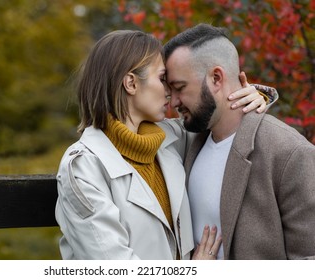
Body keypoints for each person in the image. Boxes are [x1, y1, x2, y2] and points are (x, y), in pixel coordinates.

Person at [55, 30, 275, 260]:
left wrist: (258, 96)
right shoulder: (82, 168)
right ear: (131, 83)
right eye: (162, 79)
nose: (170, 93)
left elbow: (215, 111)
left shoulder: (169, 139)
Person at [164, 23, 315, 260]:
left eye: (180, 88)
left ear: (216, 77)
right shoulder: (187, 143)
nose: (173, 102)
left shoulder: (290, 153)